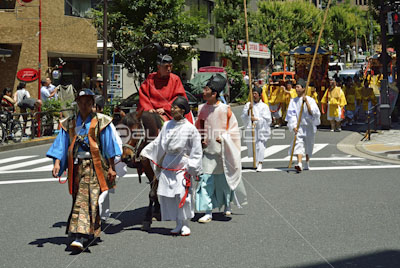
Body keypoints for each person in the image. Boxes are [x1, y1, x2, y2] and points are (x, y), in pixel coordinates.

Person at [46, 89, 121, 251]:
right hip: (76, 165)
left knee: (84, 197)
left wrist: (112, 168)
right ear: (77, 103)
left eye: (88, 102)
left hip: (94, 166)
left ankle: (79, 235)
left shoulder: (102, 121)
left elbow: (109, 145)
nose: (84, 105)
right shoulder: (70, 122)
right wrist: (57, 163)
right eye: (81, 102)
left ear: (93, 104)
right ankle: (92, 229)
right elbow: (61, 143)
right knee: (84, 198)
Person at [141, 96, 202, 236]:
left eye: (175, 107)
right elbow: (158, 142)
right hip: (168, 163)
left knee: (183, 195)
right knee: (171, 196)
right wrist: (146, 152)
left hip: (182, 164)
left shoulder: (190, 128)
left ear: (182, 110)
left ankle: (185, 223)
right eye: (172, 107)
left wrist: (192, 167)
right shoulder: (167, 125)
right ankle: (177, 223)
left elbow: (196, 150)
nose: (172, 109)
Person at [195, 74, 247, 223]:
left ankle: (227, 204)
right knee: (205, 181)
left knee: (224, 181)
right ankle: (208, 211)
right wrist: (200, 138)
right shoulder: (201, 109)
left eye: (206, 89)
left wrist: (225, 137)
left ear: (214, 93)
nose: (203, 92)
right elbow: (198, 127)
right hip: (207, 151)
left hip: (222, 151)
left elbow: (234, 130)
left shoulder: (225, 109)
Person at [93, 95, 127, 221]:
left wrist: (113, 162)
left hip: (103, 159)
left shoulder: (106, 122)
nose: (90, 108)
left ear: (100, 108)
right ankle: (100, 214)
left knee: (104, 187)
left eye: (93, 106)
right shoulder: (82, 120)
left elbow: (114, 142)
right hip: (87, 160)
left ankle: (102, 214)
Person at [137, 54, 193, 123]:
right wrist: (149, 109)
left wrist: (166, 109)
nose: (169, 69)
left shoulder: (175, 79)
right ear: (159, 66)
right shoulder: (150, 78)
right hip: (151, 113)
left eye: (171, 66)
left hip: (170, 113)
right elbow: (143, 96)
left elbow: (179, 98)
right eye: (166, 67)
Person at [285, 79, 321, 172]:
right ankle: (299, 163)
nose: (296, 89)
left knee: (309, 145)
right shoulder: (293, 101)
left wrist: (306, 103)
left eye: (298, 87)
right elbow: (291, 114)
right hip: (299, 126)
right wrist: (294, 125)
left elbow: (314, 113)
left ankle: (307, 162)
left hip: (308, 126)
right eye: (295, 87)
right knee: (298, 144)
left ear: (303, 89)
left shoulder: (310, 100)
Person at [241, 86, 272, 172]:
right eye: (253, 93)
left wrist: (257, 119)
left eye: (256, 93)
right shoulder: (248, 104)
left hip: (261, 129)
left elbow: (268, 119)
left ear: (259, 95)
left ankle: (260, 163)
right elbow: (244, 117)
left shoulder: (264, 106)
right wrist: (249, 110)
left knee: (260, 146)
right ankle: (256, 161)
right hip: (251, 129)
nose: (254, 95)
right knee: (253, 146)